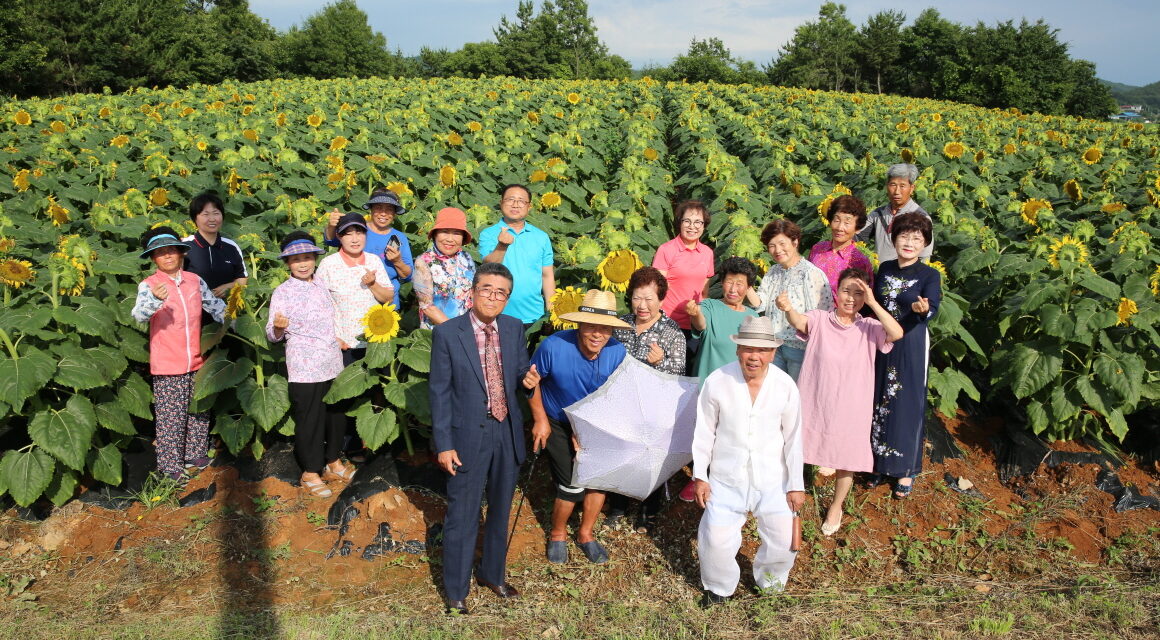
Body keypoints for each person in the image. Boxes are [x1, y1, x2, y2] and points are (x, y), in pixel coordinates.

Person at [430, 262, 540, 616]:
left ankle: (492, 574)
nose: (494, 297)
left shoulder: (512, 328)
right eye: (487, 289)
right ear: (473, 291)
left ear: (507, 298)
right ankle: (456, 590)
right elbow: (440, 393)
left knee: (500, 510)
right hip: (466, 436)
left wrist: (527, 378)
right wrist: (444, 444)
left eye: (501, 292)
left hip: (506, 432)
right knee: (462, 514)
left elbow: (520, 370)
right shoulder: (448, 334)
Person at [778, 268, 903, 535]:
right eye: (847, 290)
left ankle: (836, 506)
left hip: (852, 404)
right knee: (798, 446)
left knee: (847, 456)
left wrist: (872, 303)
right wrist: (788, 308)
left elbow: (897, 333)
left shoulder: (869, 327)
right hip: (816, 397)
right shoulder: (821, 319)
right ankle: (789, 494)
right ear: (837, 292)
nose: (851, 298)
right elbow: (799, 323)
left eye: (859, 293)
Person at [692, 316, 804, 606]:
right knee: (715, 537)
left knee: (782, 538)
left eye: (762, 350)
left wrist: (796, 484)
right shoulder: (718, 382)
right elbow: (704, 432)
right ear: (738, 349)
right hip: (726, 476)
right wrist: (700, 476)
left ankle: (770, 584)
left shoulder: (785, 386)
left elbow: (794, 438)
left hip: (772, 478)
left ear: (773, 353)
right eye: (748, 348)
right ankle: (718, 587)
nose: (754, 356)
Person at [528, 290, 629, 564]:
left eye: (605, 328)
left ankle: (586, 533)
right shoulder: (553, 346)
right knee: (571, 482)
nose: (598, 334)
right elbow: (531, 381)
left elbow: (615, 396)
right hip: (557, 419)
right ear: (579, 325)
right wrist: (539, 420)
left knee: (598, 481)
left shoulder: (617, 352)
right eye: (591, 327)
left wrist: (588, 432)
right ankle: (558, 534)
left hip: (595, 421)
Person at [131, 227, 225, 483]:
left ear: (181, 253)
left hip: (196, 357)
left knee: (198, 408)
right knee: (171, 415)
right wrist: (153, 299)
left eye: (171, 250)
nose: (168, 256)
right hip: (167, 362)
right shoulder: (149, 285)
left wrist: (237, 320)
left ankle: (195, 453)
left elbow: (215, 307)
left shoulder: (194, 281)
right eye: (160, 253)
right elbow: (139, 315)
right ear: (153, 259)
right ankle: (170, 464)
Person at [266, 231, 354, 498]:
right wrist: (279, 329)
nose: (303, 264)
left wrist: (338, 336)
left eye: (307, 258)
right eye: (296, 260)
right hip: (304, 365)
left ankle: (333, 462)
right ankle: (311, 471)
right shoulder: (283, 292)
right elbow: (272, 333)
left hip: (331, 361)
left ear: (314, 259)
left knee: (336, 415)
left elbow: (333, 315)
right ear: (288, 264)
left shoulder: (321, 285)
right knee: (310, 419)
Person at [608, 266, 686, 531]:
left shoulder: (671, 331)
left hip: (655, 407)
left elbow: (678, 375)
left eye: (649, 299)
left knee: (649, 456)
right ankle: (618, 503)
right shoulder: (621, 324)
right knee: (620, 452)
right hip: (622, 402)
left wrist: (661, 362)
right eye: (637, 298)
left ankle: (648, 506)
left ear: (661, 300)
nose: (642, 305)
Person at [871, 213, 942, 498]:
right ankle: (877, 462)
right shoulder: (885, 268)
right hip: (882, 338)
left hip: (911, 342)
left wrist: (924, 310)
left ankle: (905, 470)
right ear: (893, 238)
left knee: (907, 402)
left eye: (916, 238)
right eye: (904, 236)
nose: (909, 243)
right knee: (878, 397)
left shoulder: (929, 275)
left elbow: (932, 305)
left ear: (924, 244)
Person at [754, 219, 833, 382]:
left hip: (799, 348)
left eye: (782, 243)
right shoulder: (773, 271)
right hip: (774, 345)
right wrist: (746, 284)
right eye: (771, 245)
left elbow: (820, 316)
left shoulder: (810, 273)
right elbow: (760, 303)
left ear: (795, 241)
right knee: (775, 395)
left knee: (796, 398)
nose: (777, 250)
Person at [315, 212, 395, 365]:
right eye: (348, 234)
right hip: (344, 344)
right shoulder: (328, 264)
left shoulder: (373, 260)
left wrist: (373, 284)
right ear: (339, 236)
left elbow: (388, 298)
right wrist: (332, 338)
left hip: (375, 342)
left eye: (359, 233)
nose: (355, 239)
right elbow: (317, 308)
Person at [479, 184, 555, 328]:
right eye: (510, 199)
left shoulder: (541, 237)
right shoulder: (488, 234)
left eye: (521, 201)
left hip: (534, 315)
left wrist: (551, 311)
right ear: (501, 203)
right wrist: (502, 246)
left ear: (529, 206)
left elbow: (547, 276)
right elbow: (488, 266)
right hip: (498, 314)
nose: (515, 204)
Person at [323, 188, 413, 310]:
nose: (383, 213)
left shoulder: (399, 237)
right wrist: (331, 225)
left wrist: (397, 261)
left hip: (387, 302)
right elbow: (331, 240)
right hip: (354, 300)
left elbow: (407, 275)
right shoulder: (358, 229)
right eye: (379, 208)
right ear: (371, 209)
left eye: (389, 209)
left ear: (395, 214)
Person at [652, 200, 714, 370]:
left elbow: (705, 292)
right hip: (669, 323)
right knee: (665, 370)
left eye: (698, 222)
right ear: (679, 222)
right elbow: (657, 289)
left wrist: (702, 319)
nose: (692, 226)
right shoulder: (667, 250)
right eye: (687, 221)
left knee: (688, 373)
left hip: (694, 325)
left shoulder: (707, 253)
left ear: (704, 225)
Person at [685, 256, 760, 381]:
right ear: (722, 282)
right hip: (707, 386)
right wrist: (695, 314)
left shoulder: (754, 318)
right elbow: (701, 324)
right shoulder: (709, 305)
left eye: (739, 284)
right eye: (729, 282)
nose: (733, 289)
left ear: (748, 287)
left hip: (738, 387)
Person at [413, 207, 476, 329]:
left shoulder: (466, 258)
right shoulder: (423, 262)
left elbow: (473, 294)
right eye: (445, 231)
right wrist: (455, 331)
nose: (450, 239)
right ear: (435, 234)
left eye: (457, 233)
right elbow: (427, 307)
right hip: (438, 330)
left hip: (467, 329)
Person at [857, 163, 933, 262]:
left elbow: (924, 257)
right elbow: (858, 237)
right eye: (893, 185)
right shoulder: (878, 214)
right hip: (879, 273)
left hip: (905, 276)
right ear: (887, 186)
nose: (897, 191)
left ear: (912, 188)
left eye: (902, 186)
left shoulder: (921, 218)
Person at [181, 191, 247, 299]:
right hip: (192, 310)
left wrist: (229, 286)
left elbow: (242, 278)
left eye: (216, 213)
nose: (212, 219)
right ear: (195, 219)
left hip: (226, 312)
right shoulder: (185, 246)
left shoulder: (231, 247)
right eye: (205, 214)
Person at [809, 195, 876, 298]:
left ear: (857, 228)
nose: (840, 227)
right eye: (836, 220)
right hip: (809, 312)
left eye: (847, 222)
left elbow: (864, 298)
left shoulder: (860, 261)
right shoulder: (817, 249)